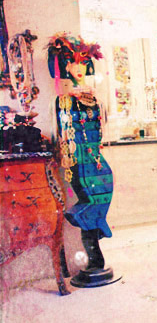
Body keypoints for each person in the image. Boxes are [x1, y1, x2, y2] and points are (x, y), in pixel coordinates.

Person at [48, 33, 115, 284]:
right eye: (71, 62)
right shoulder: (62, 102)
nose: (78, 67)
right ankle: (94, 256)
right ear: (65, 66)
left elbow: (102, 130)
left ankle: (95, 244)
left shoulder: (96, 101)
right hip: (77, 163)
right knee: (88, 203)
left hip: (96, 160)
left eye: (82, 62)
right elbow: (59, 136)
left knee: (104, 191)